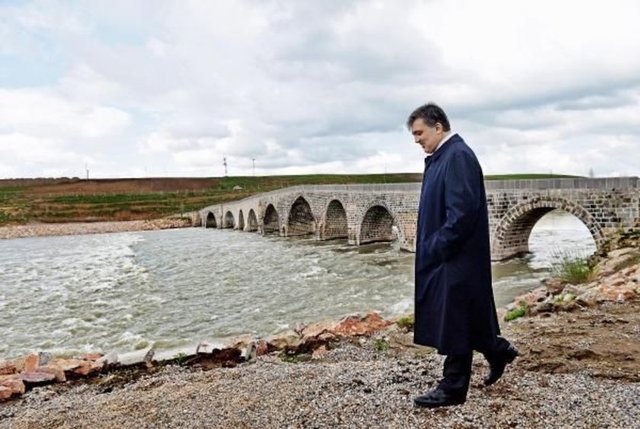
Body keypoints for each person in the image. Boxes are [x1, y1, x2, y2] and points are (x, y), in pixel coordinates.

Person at [407, 103, 518, 408]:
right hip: (451, 256)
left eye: (419, 133)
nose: (416, 139)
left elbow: (462, 213)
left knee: (455, 319)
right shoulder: (443, 156)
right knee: (465, 314)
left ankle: (453, 387)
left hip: (456, 256)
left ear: (438, 126)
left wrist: (436, 246)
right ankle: (497, 350)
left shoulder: (457, 156)